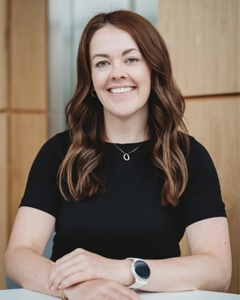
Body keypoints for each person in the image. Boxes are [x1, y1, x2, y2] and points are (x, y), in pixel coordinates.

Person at [4, 9, 232, 300]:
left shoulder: (188, 156)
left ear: (154, 69)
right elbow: (18, 255)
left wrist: (119, 271)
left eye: (131, 59)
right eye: (102, 63)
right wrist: (74, 287)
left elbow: (218, 270)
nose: (117, 73)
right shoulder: (58, 152)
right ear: (91, 81)